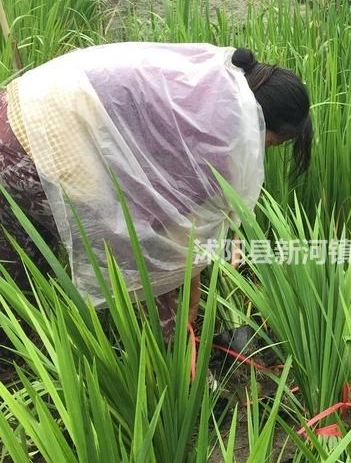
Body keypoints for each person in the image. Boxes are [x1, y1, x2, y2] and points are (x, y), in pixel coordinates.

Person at [0, 41, 312, 339]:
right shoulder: (219, 140)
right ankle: (168, 367)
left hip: (13, 107)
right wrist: (187, 309)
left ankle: (17, 355)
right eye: (276, 142)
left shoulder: (214, 84)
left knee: (22, 260)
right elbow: (174, 244)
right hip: (38, 146)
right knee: (143, 263)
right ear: (263, 122)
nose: (267, 148)